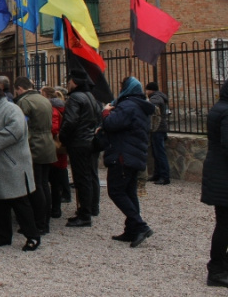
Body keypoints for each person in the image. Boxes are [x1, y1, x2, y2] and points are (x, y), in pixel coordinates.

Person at [0, 82, 41, 252]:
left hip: (12, 163)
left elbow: (16, 130)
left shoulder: (11, 109)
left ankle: (33, 236)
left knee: (19, 202)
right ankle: (4, 235)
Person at [100, 76, 154, 248]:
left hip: (123, 154)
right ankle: (131, 229)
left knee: (116, 191)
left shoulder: (128, 105)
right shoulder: (139, 105)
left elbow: (111, 124)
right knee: (129, 192)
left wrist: (106, 112)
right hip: (133, 154)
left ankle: (141, 225)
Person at [59, 69, 102, 228]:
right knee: (90, 176)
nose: (67, 84)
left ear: (74, 82)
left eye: (69, 81)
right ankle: (91, 208)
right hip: (90, 141)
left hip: (79, 143)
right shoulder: (91, 96)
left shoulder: (75, 98)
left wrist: (63, 137)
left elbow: (70, 121)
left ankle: (84, 215)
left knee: (81, 179)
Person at [13, 76, 56, 234]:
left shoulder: (25, 101)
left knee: (36, 185)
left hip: (35, 145)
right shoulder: (44, 99)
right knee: (44, 184)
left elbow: (21, 125)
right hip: (47, 143)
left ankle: (39, 223)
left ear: (19, 88)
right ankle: (45, 220)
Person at [203, 79, 228, 287]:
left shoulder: (219, 107)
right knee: (224, 225)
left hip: (219, 174)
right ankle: (217, 269)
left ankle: (220, 264)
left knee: (224, 223)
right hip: (224, 177)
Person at [41, 86, 70, 218]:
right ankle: (55, 207)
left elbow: (53, 128)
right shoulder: (61, 107)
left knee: (53, 181)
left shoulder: (52, 110)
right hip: (57, 149)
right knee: (55, 181)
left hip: (54, 148)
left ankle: (55, 208)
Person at [145, 82, 171, 185]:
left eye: (147, 90)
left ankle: (164, 177)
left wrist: (147, 103)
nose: (146, 92)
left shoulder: (155, 98)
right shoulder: (159, 96)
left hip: (158, 128)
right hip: (160, 128)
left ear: (150, 90)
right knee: (156, 153)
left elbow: (152, 107)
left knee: (160, 153)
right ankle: (157, 174)